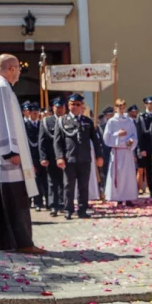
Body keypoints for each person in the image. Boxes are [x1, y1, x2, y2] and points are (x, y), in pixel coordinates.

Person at [0, 54, 44, 254]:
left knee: (1, 197)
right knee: (15, 200)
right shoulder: (2, 89)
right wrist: (10, 151)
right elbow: (2, 122)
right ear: (11, 68)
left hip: (4, 157)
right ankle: (23, 242)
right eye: (19, 68)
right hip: (8, 158)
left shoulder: (2, 88)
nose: (20, 72)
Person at [55, 92, 103, 220]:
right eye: (72, 104)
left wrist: (99, 156)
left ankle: (82, 209)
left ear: (82, 106)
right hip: (69, 159)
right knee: (68, 186)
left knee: (83, 186)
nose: (75, 106)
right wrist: (59, 157)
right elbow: (58, 141)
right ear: (68, 105)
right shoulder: (62, 121)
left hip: (84, 159)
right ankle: (68, 210)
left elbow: (96, 140)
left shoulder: (87, 121)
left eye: (78, 104)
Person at [103, 98, 138, 206]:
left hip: (127, 151)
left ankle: (128, 198)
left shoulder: (130, 121)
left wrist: (131, 141)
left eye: (123, 108)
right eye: (119, 108)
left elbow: (134, 135)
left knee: (128, 175)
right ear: (115, 108)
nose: (122, 110)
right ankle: (117, 197)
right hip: (117, 151)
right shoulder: (111, 121)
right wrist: (117, 134)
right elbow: (106, 137)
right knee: (118, 174)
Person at [39, 96, 66, 217]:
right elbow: (42, 141)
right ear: (53, 108)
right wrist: (43, 157)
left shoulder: (68, 120)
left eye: (62, 107)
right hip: (51, 156)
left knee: (65, 182)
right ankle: (53, 205)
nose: (60, 110)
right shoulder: (46, 121)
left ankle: (63, 204)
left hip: (65, 156)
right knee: (52, 182)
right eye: (57, 107)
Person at [22, 101, 47, 211]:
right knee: (32, 180)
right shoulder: (25, 126)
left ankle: (40, 202)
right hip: (30, 156)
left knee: (42, 180)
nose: (35, 114)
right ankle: (33, 202)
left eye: (36, 112)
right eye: (33, 112)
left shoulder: (42, 124)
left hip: (41, 156)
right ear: (29, 113)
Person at [136, 96, 152, 199]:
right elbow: (139, 134)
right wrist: (141, 148)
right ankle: (151, 190)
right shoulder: (141, 117)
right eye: (149, 103)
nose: (151, 105)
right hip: (147, 147)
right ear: (146, 104)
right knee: (148, 170)